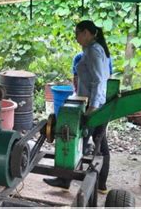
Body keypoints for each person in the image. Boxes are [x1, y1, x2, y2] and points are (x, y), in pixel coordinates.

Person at [44, 20, 111, 194]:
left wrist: (93, 106)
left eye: (77, 33)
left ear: (87, 33)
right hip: (89, 101)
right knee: (94, 140)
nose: (76, 37)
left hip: (93, 104)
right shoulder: (91, 50)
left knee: (77, 139)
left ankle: (67, 179)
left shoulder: (94, 51)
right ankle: (89, 183)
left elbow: (99, 80)